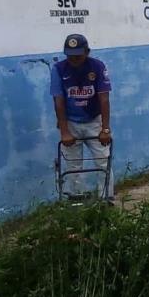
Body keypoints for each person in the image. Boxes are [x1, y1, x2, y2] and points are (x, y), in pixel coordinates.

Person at [50, 34, 114, 200]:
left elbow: (104, 99)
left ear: (87, 52)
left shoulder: (97, 67)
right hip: (71, 122)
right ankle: (77, 199)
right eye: (70, 56)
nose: (74, 60)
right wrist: (64, 132)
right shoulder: (58, 69)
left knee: (103, 161)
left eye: (78, 56)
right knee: (73, 165)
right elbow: (59, 102)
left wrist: (105, 129)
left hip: (94, 120)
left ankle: (106, 198)